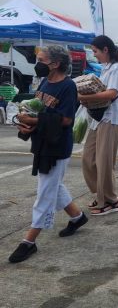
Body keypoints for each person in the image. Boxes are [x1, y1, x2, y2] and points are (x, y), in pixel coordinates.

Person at [9, 46, 87, 263]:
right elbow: (40, 109)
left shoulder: (68, 86)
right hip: (42, 141)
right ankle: (77, 218)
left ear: (55, 64)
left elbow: (65, 120)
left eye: (42, 60)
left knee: (45, 193)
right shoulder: (44, 82)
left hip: (57, 146)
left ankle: (29, 241)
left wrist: (33, 122)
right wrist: (28, 125)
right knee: (54, 184)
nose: (38, 63)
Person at [79, 35, 118, 216]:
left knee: (104, 162)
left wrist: (84, 97)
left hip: (111, 119)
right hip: (99, 119)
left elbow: (111, 93)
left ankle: (110, 200)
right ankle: (101, 195)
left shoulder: (116, 68)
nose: (94, 55)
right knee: (88, 159)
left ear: (105, 50)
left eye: (95, 51)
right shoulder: (105, 68)